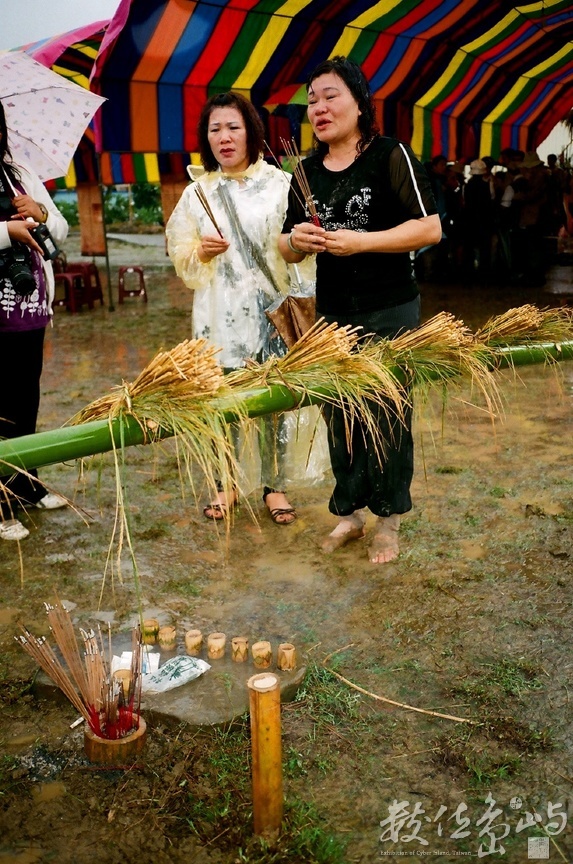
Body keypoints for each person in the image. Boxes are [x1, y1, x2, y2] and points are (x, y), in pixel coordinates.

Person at [279, 56, 441, 563]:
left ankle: (388, 520)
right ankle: (349, 513)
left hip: (390, 308)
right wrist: (297, 240)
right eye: (312, 100)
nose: (320, 108)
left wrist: (363, 242)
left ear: (358, 102)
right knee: (340, 414)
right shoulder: (304, 172)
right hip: (333, 313)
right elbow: (285, 245)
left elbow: (430, 228)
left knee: (388, 414)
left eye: (330, 96)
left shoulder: (389, 156)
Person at [166, 92, 315, 525]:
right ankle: (225, 481)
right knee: (223, 399)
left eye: (233, 127)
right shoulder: (198, 193)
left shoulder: (280, 184)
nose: (224, 137)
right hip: (218, 317)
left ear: (251, 131)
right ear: (205, 138)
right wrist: (201, 251)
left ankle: (274, 485)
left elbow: (298, 249)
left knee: (274, 400)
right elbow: (180, 252)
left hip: (271, 314)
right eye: (215, 130)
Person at [0, 100, 69, 541]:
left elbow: (59, 228)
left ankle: (25, 484)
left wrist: (39, 213)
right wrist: (8, 232)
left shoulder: (18, 172)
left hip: (28, 310)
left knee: (25, 401)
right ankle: (0, 504)